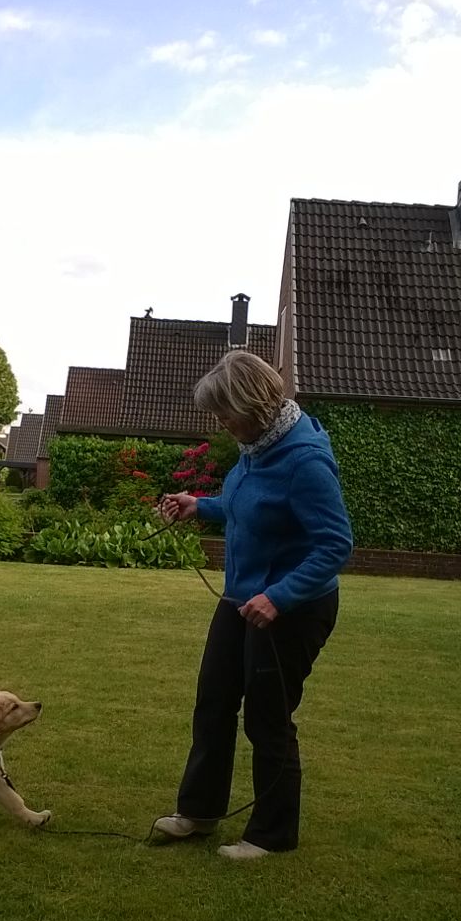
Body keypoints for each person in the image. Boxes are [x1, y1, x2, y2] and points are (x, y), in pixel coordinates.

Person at [154, 350, 353, 860]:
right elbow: (251, 507)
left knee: (268, 719)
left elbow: (335, 544)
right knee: (214, 702)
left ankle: (271, 835)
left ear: (254, 405)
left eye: (225, 412)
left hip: (292, 608)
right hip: (240, 598)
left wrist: (280, 596)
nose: (220, 422)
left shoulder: (304, 460)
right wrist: (201, 505)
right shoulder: (256, 447)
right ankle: (199, 812)